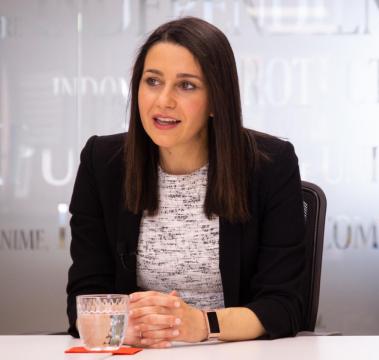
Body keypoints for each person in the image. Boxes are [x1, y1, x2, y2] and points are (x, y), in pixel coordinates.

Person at [66, 16, 306, 348]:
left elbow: (283, 306)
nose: (163, 100)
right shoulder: (103, 162)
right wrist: (122, 327)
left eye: (186, 85)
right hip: (142, 351)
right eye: (152, 81)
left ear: (215, 100)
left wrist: (200, 323)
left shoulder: (269, 165)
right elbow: (85, 297)